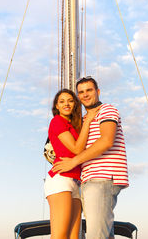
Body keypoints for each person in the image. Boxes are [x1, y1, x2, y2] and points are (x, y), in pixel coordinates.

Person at [52, 77, 129, 239]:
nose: (85, 94)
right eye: (81, 92)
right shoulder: (85, 119)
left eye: (89, 90)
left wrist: (73, 162)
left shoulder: (106, 110)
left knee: (96, 234)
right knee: (102, 233)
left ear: (98, 92)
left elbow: (107, 141)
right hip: (87, 180)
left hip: (103, 177)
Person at [45, 89, 100, 239]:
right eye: (62, 101)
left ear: (75, 104)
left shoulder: (75, 125)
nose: (66, 104)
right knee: (60, 236)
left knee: (74, 236)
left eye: (70, 100)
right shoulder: (57, 121)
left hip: (76, 182)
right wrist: (88, 120)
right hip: (60, 180)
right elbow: (76, 149)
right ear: (56, 106)